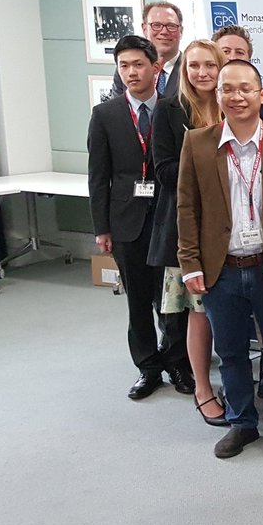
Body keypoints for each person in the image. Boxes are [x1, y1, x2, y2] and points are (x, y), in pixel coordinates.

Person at [177, 59, 263, 459]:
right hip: (222, 269)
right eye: (227, 89)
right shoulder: (198, 142)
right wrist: (190, 263)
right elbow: (186, 207)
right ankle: (242, 422)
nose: (236, 96)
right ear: (218, 96)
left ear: (261, 95)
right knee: (231, 353)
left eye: (245, 88)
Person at [88, 34, 192, 399]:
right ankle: (148, 367)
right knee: (138, 300)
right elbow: (98, 175)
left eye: (138, 64)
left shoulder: (174, 109)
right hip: (126, 220)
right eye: (124, 66)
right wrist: (101, 227)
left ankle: (178, 362)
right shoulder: (105, 114)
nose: (131, 72)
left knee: (173, 298)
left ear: (155, 67)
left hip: (168, 218)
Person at [151, 39, 227, 426]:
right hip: (191, 227)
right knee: (199, 314)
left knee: (230, 313)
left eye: (209, 65)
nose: (202, 73)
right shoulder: (169, 111)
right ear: (184, 70)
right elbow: (163, 171)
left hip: (235, 226)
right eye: (194, 66)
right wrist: (208, 174)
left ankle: (237, 384)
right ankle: (203, 389)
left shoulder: (232, 104)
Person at [212, 24, 263, 126]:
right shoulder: (203, 97)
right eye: (226, 51)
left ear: (249, 59)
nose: (232, 57)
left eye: (239, 52)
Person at [111, 1, 185, 97]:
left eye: (171, 26)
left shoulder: (191, 70)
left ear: (181, 31)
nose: (164, 32)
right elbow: (116, 108)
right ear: (144, 29)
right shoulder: (126, 69)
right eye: (156, 25)